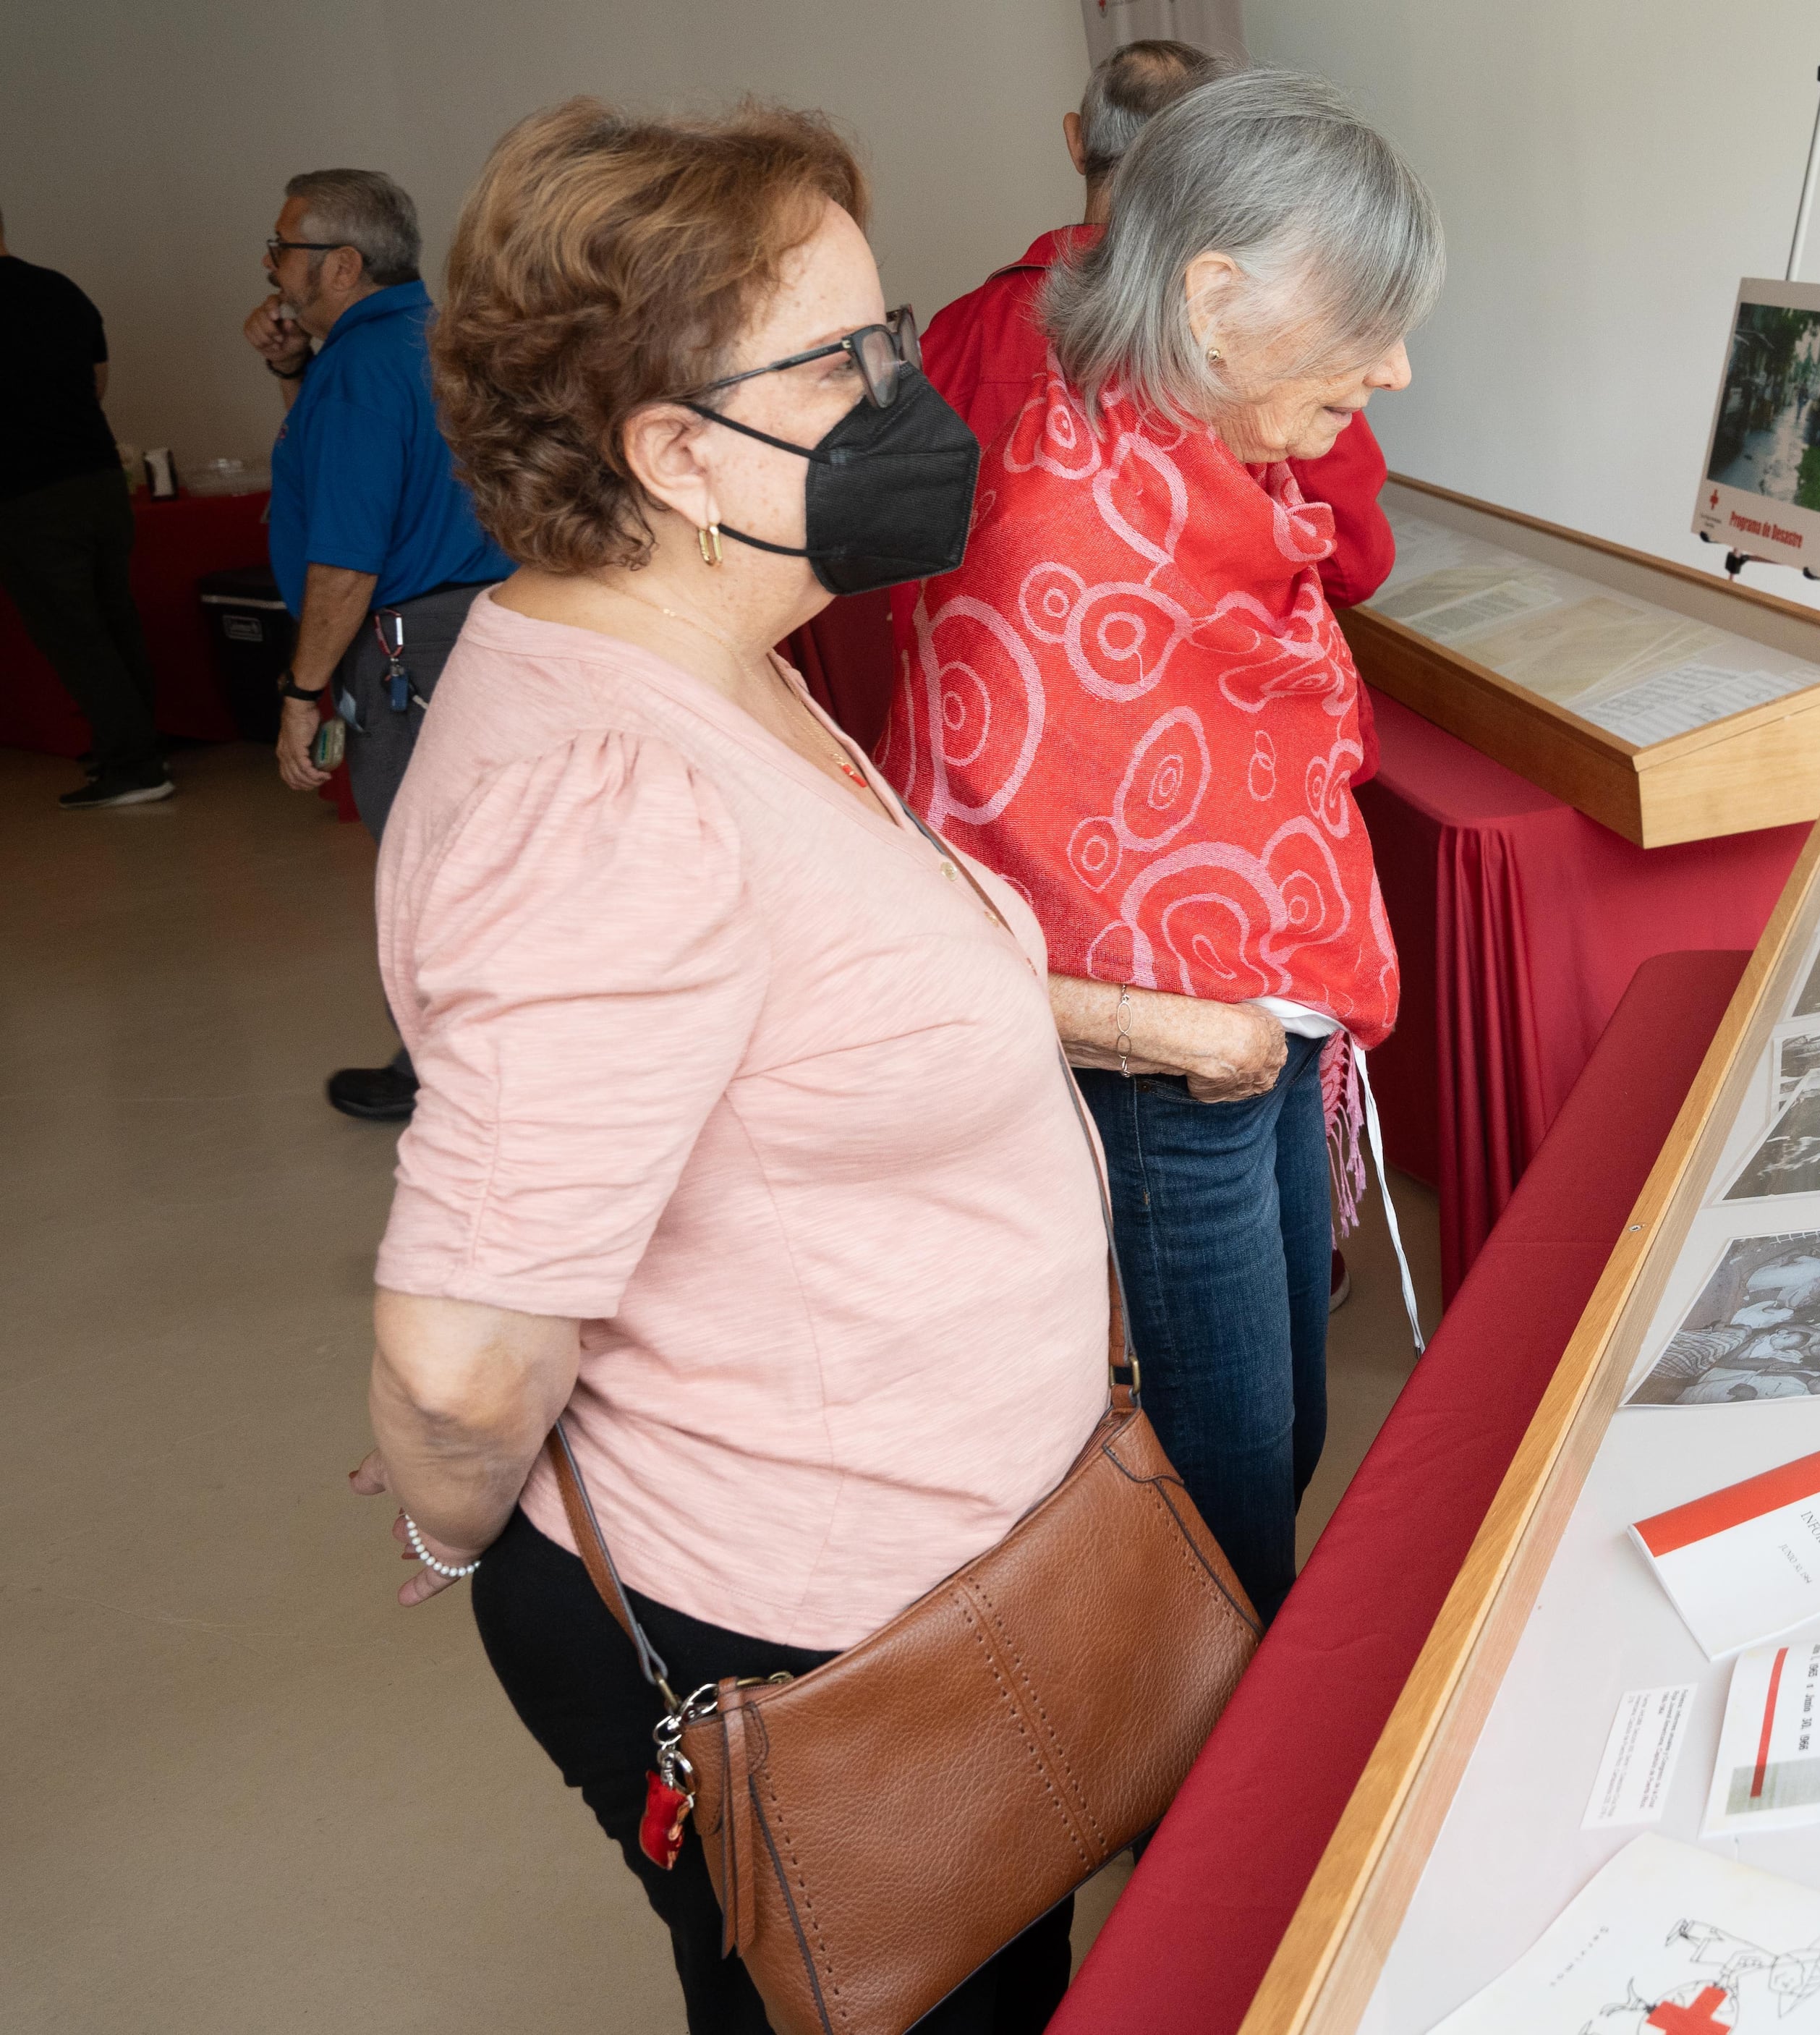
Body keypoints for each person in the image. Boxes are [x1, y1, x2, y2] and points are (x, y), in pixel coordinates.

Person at [365, 99, 1093, 2031]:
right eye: (849, 362)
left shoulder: (718, 651)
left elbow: (813, 1015)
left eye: (898, 333)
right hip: (797, 1630)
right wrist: (459, 1507)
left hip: (936, 1568)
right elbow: (454, 1363)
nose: (910, 396)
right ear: (676, 451)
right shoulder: (607, 798)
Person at [877, 72, 1440, 1618]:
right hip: (1161, 1041)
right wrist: (1199, 1010)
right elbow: (1015, 822)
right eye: (1364, 323)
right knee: (1224, 1443)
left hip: (1260, 1006)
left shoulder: (1198, 453)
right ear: (1211, 294)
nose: (1391, 366)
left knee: (1287, 1407)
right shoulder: (1066, 504)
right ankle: (1229, 1804)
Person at [918, 38, 1396, 609]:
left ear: (1075, 141)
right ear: (1216, 162)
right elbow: (1352, 565)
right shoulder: (1245, 335)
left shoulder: (943, 335)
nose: (1394, 369)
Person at [245, 169, 516, 1120]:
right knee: (486, 858)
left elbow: (346, 557)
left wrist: (298, 690)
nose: (273, 268)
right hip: (484, 624)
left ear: (342, 263)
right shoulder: (432, 336)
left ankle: (447, 1080)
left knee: (426, 868)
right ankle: (471, 1063)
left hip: (412, 645)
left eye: (284, 248)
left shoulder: (359, 371)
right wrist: (293, 371)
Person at [0, 213, 169, 809]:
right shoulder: (58, 288)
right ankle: (138, 749)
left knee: (74, 634)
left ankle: (133, 764)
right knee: (115, 619)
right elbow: (96, 383)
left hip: (28, 493)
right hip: (98, 479)